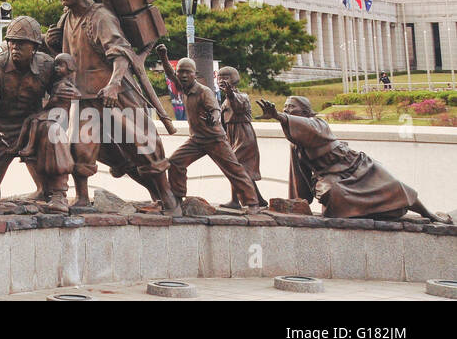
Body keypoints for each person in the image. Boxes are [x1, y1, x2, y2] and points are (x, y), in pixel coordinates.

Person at [46, 0, 177, 213]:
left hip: (116, 93)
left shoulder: (100, 16)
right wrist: (52, 42)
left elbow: (120, 53)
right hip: (85, 94)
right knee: (82, 147)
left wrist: (114, 84)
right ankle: (82, 197)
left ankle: (168, 198)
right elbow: (67, 58)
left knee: (141, 144)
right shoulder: (66, 19)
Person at [258, 97, 451, 223]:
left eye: (292, 107)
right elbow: (299, 173)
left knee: (396, 186)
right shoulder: (296, 144)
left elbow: (308, 128)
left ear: (306, 112)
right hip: (329, 176)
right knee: (334, 194)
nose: (287, 110)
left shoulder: (318, 124)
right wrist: (300, 200)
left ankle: (428, 214)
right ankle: (377, 213)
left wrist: (278, 116)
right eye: (285, 108)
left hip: (357, 166)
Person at [0, 20, 76, 213]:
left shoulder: (47, 65)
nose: (15, 47)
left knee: (53, 129)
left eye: (21, 43)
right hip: (0, 130)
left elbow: (61, 96)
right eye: (12, 42)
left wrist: (61, 95)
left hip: (33, 125)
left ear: (34, 47)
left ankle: (58, 194)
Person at [160, 50, 261, 212]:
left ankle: (253, 203)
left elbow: (215, 109)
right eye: (181, 72)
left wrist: (214, 118)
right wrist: (164, 57)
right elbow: (169, 73)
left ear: (195, 74)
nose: (183, 75)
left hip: (215, 139)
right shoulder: (183, 88)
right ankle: (177, 197)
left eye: (187, 72)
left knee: (234, 170)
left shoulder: (204, 92)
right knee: (176, 162)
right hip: (196, 140)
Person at [216, 65, 266, 208]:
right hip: (232, 135)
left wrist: (230, 94)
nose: (221, 81)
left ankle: (235, 201)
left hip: (243, 134)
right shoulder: (225, 100)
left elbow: (238, 107)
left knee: (234, 165)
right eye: (219, 78)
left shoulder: (241, 96)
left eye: (225, 77)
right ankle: (259, 199)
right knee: (243, 169)